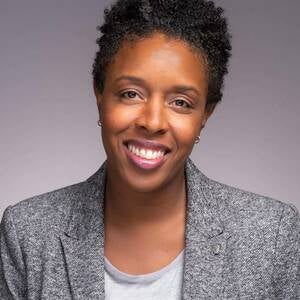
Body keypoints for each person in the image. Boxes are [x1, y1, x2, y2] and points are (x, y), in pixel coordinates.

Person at [0, 0, 299, 299]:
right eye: (131, 94)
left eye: (181, 102)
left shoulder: (273, 237)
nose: (153, 122)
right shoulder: (27, 234)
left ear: (205, 114)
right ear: (100, 95)